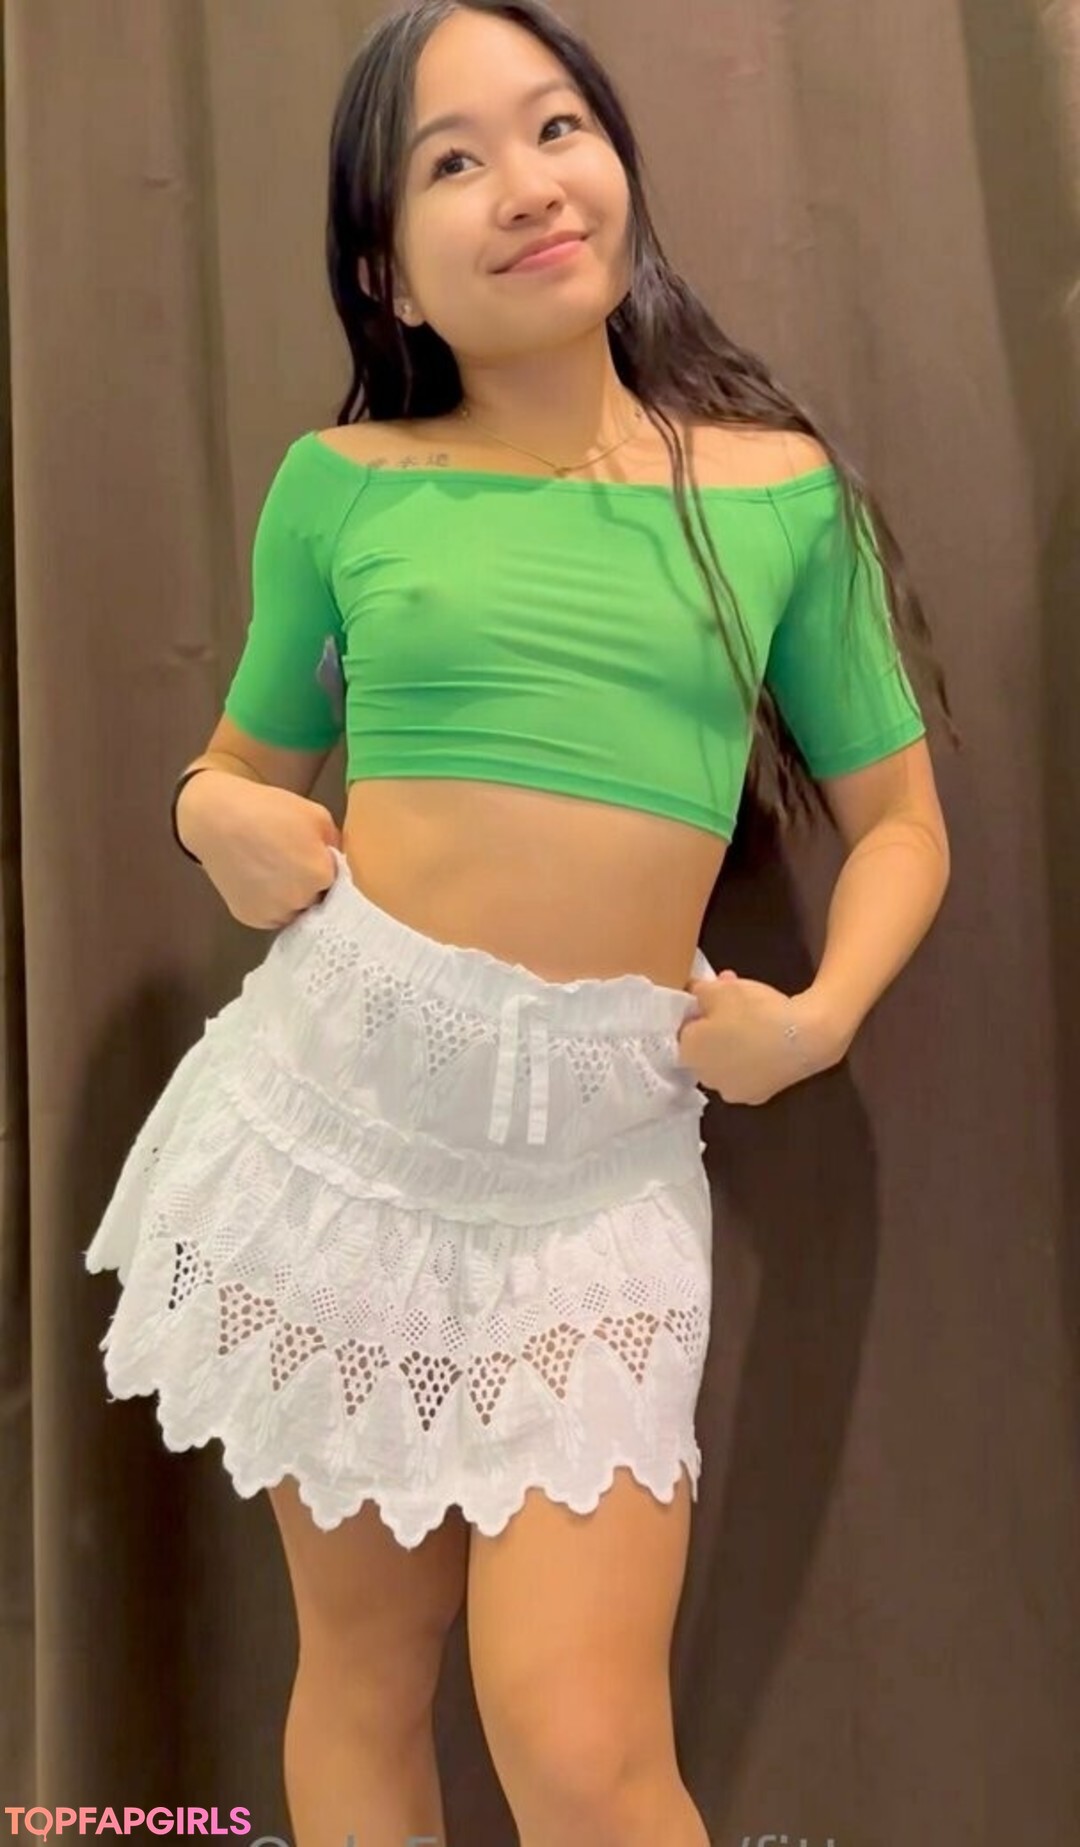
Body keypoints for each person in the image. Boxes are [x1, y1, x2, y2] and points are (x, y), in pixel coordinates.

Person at [84, 2, 954, 1843]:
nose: (529, 185)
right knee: (365, 1676)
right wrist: (210, 814)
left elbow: (899, 827)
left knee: (581, 1747)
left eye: (557, 129)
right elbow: (235, 766)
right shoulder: (341, 489)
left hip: (597, 1178)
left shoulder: (776, 494)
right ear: (384, 271)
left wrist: (816, 1020)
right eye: (453, 161)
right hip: (344, 1129)